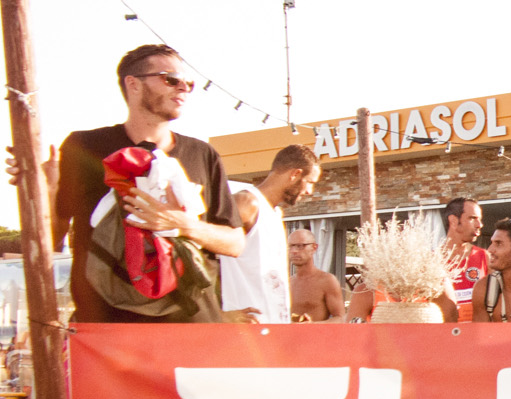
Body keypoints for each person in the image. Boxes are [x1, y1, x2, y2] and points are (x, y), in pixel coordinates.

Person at [17, 44, 244, 322]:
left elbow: (235, 243)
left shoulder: (203, 154)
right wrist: (46, 191)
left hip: (190, 325)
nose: (183, 88)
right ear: (133, 84)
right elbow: (52, 238)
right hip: (105, 325)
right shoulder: (83, 146)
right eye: (171, 79)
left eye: (189, 83)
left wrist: (183, 224)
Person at [220, 144, 321, 324]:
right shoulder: (247, 203)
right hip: (243, 331)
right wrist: (220, 315)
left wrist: (286, 317)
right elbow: (200, 257)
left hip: (271, 330)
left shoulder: (275, 214)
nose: (309, 191)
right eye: (310, 182)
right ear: (295, 174)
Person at [440, 197, 489, 321]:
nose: (479, 225)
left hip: (477, 330)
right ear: (453, 221)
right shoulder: (432, 262)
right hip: (445, 330)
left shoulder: (485, 257)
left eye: (480, 220)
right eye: (472, 218)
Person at [287, 229, 346, 322]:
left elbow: (340, 318)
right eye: (291, 246)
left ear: (314, 248)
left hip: (315, 331)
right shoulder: (287, 283)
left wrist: (313, 326)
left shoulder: (327, 280)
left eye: (300, 246)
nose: (294, 251)